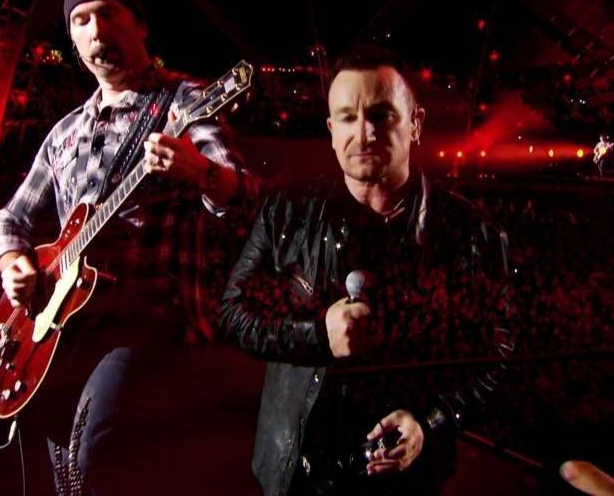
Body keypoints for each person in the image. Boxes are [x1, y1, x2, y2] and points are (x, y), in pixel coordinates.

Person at [0, 0, 255, 495]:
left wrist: (199, 171)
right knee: (62, 470)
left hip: (152, 319)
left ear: (140, 26)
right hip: (67, 328)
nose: (95, 31)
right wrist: (13, 263)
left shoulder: (184, 101)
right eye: (81, 21)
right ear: (73, 41)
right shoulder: (64, 133)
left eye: (108, 14)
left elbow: (246, 195)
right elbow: (10, 221)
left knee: (98, 455)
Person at [220, 45, 515, 496]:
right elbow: (235, 313)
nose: (364, 133)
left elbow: (495, 355)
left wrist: (431, 422)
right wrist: (318, 334)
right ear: (331, 130)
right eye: (347, 117)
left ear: (415, 124)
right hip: (294, 472)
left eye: (381, 115)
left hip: (405, 480)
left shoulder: (473, 234)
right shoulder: (287, 212)